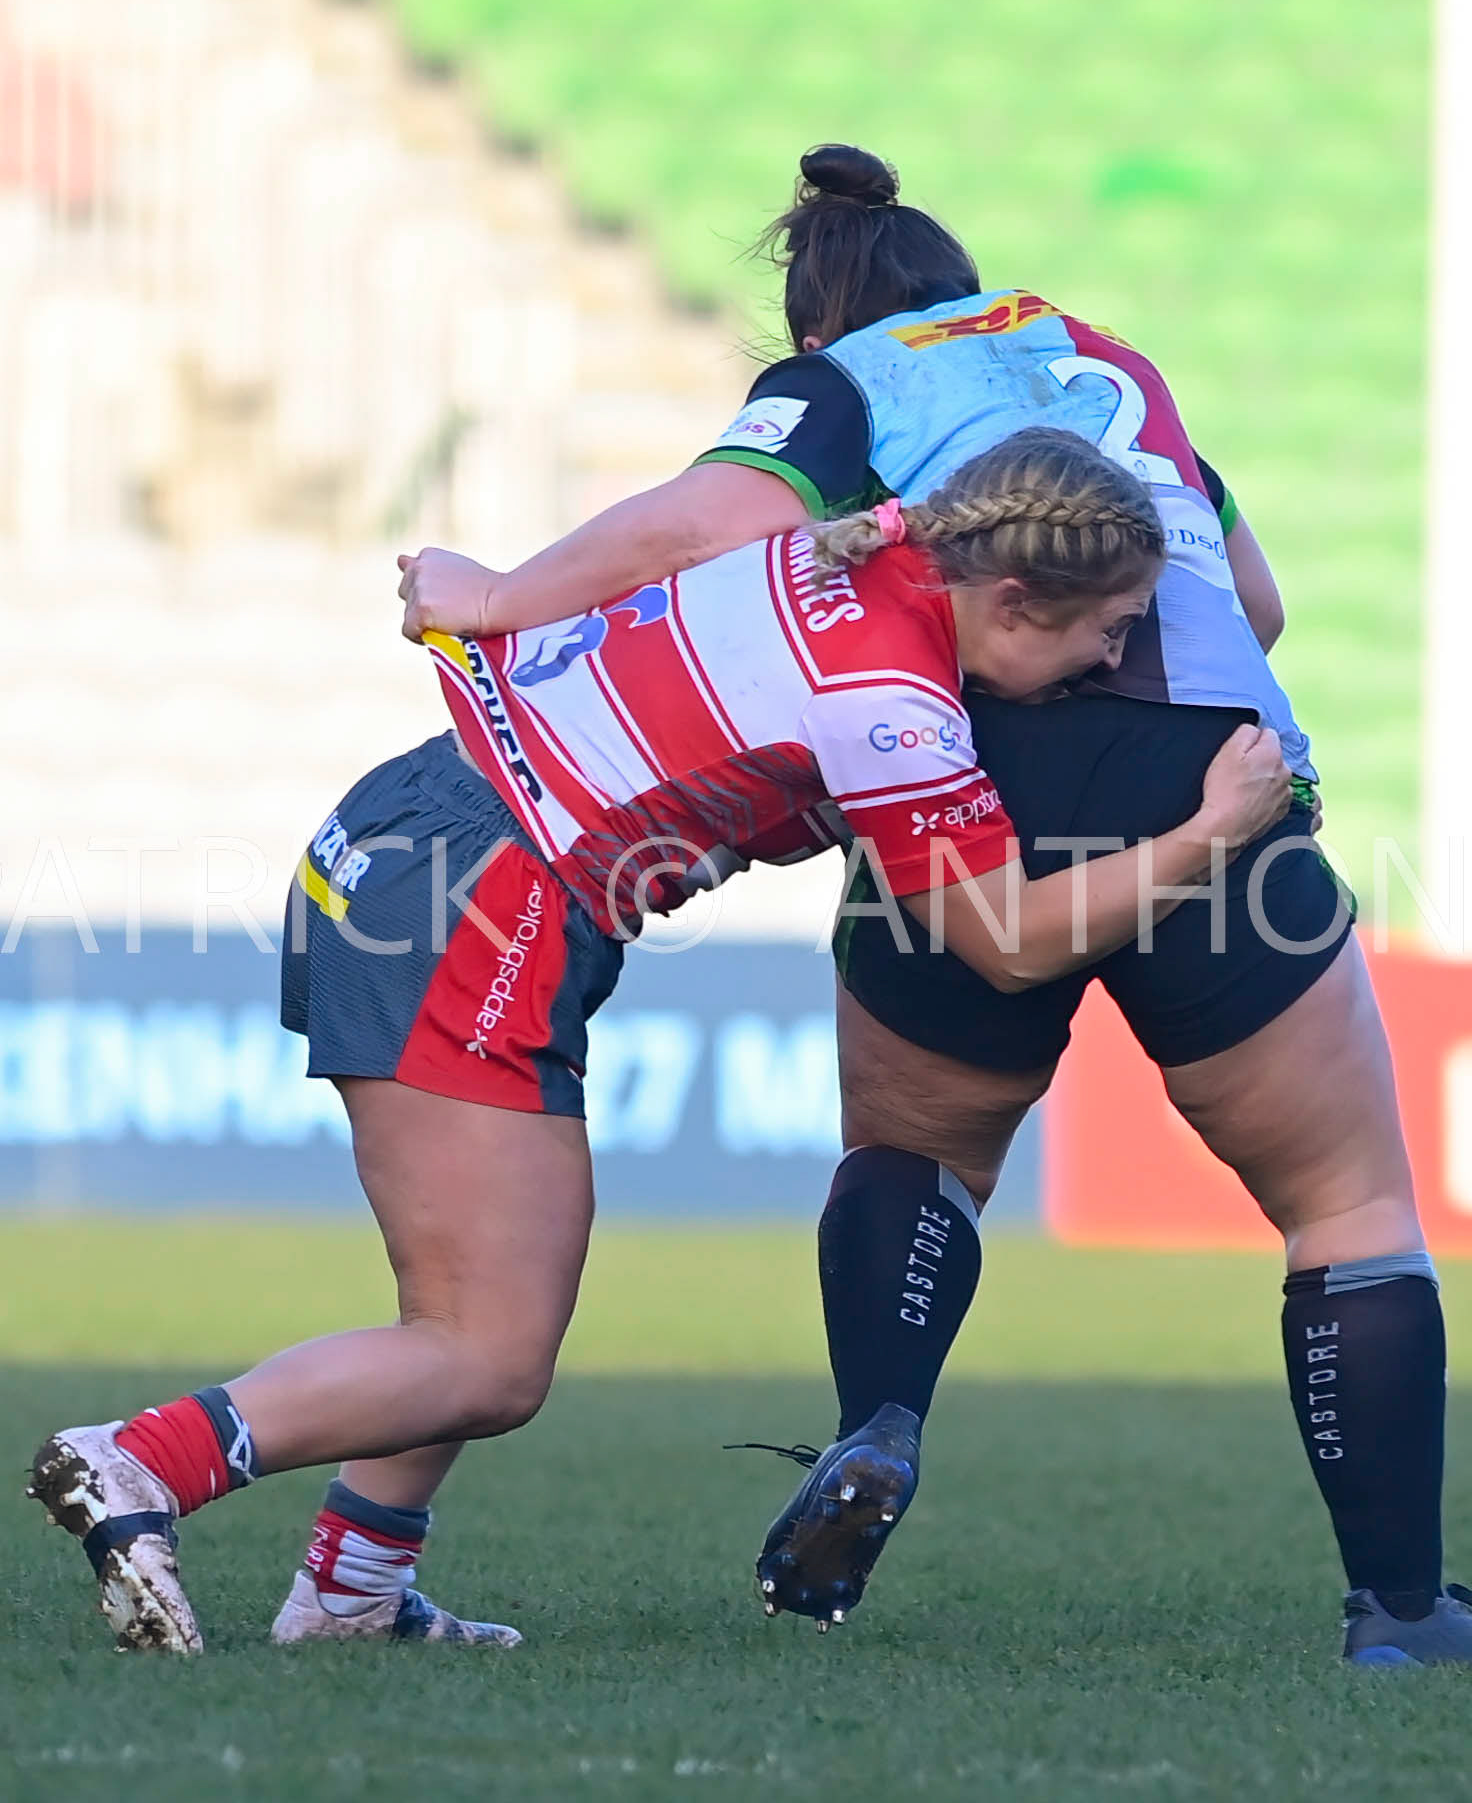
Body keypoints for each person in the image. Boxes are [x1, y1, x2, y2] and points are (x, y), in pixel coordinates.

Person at [393, 145, 1472, 1672]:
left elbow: (705, 524)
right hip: (1205, 756)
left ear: (816, 319)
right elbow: (1259, 601)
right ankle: (1401, 1612)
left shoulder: (845, 380)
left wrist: (493, 594)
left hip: (962, 763)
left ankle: (879, 1420)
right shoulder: (1100, 360)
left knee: (914, 1154)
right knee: (1345, 1206)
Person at [28, 430, 1295, 1655]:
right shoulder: (894, 702)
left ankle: (356, 1590)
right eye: (1109, 631)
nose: (1111, 660)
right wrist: (1211, 829)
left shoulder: (832, 551)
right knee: (490, 1350)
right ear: (1012, 601)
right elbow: (1008, 940)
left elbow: (668, 545)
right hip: (485, 902)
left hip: (418, 829)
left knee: (459, 1306)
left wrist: (482, 591)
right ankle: (142, 1460)